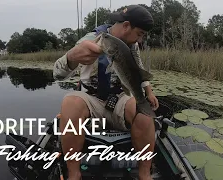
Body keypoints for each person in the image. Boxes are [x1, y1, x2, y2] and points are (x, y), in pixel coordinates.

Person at [53, 4, 159, 180]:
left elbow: (137, 70)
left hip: (119, 99)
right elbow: (57, 74)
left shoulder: (131, 46)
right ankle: (74, 174)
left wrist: (149, 92)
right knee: (70, 102)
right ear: (126, 26)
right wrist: (71, 58)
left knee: (144, 112)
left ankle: (144, 174)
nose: (140, 40)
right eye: (139, 34)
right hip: (90, 100)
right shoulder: (92, 39)